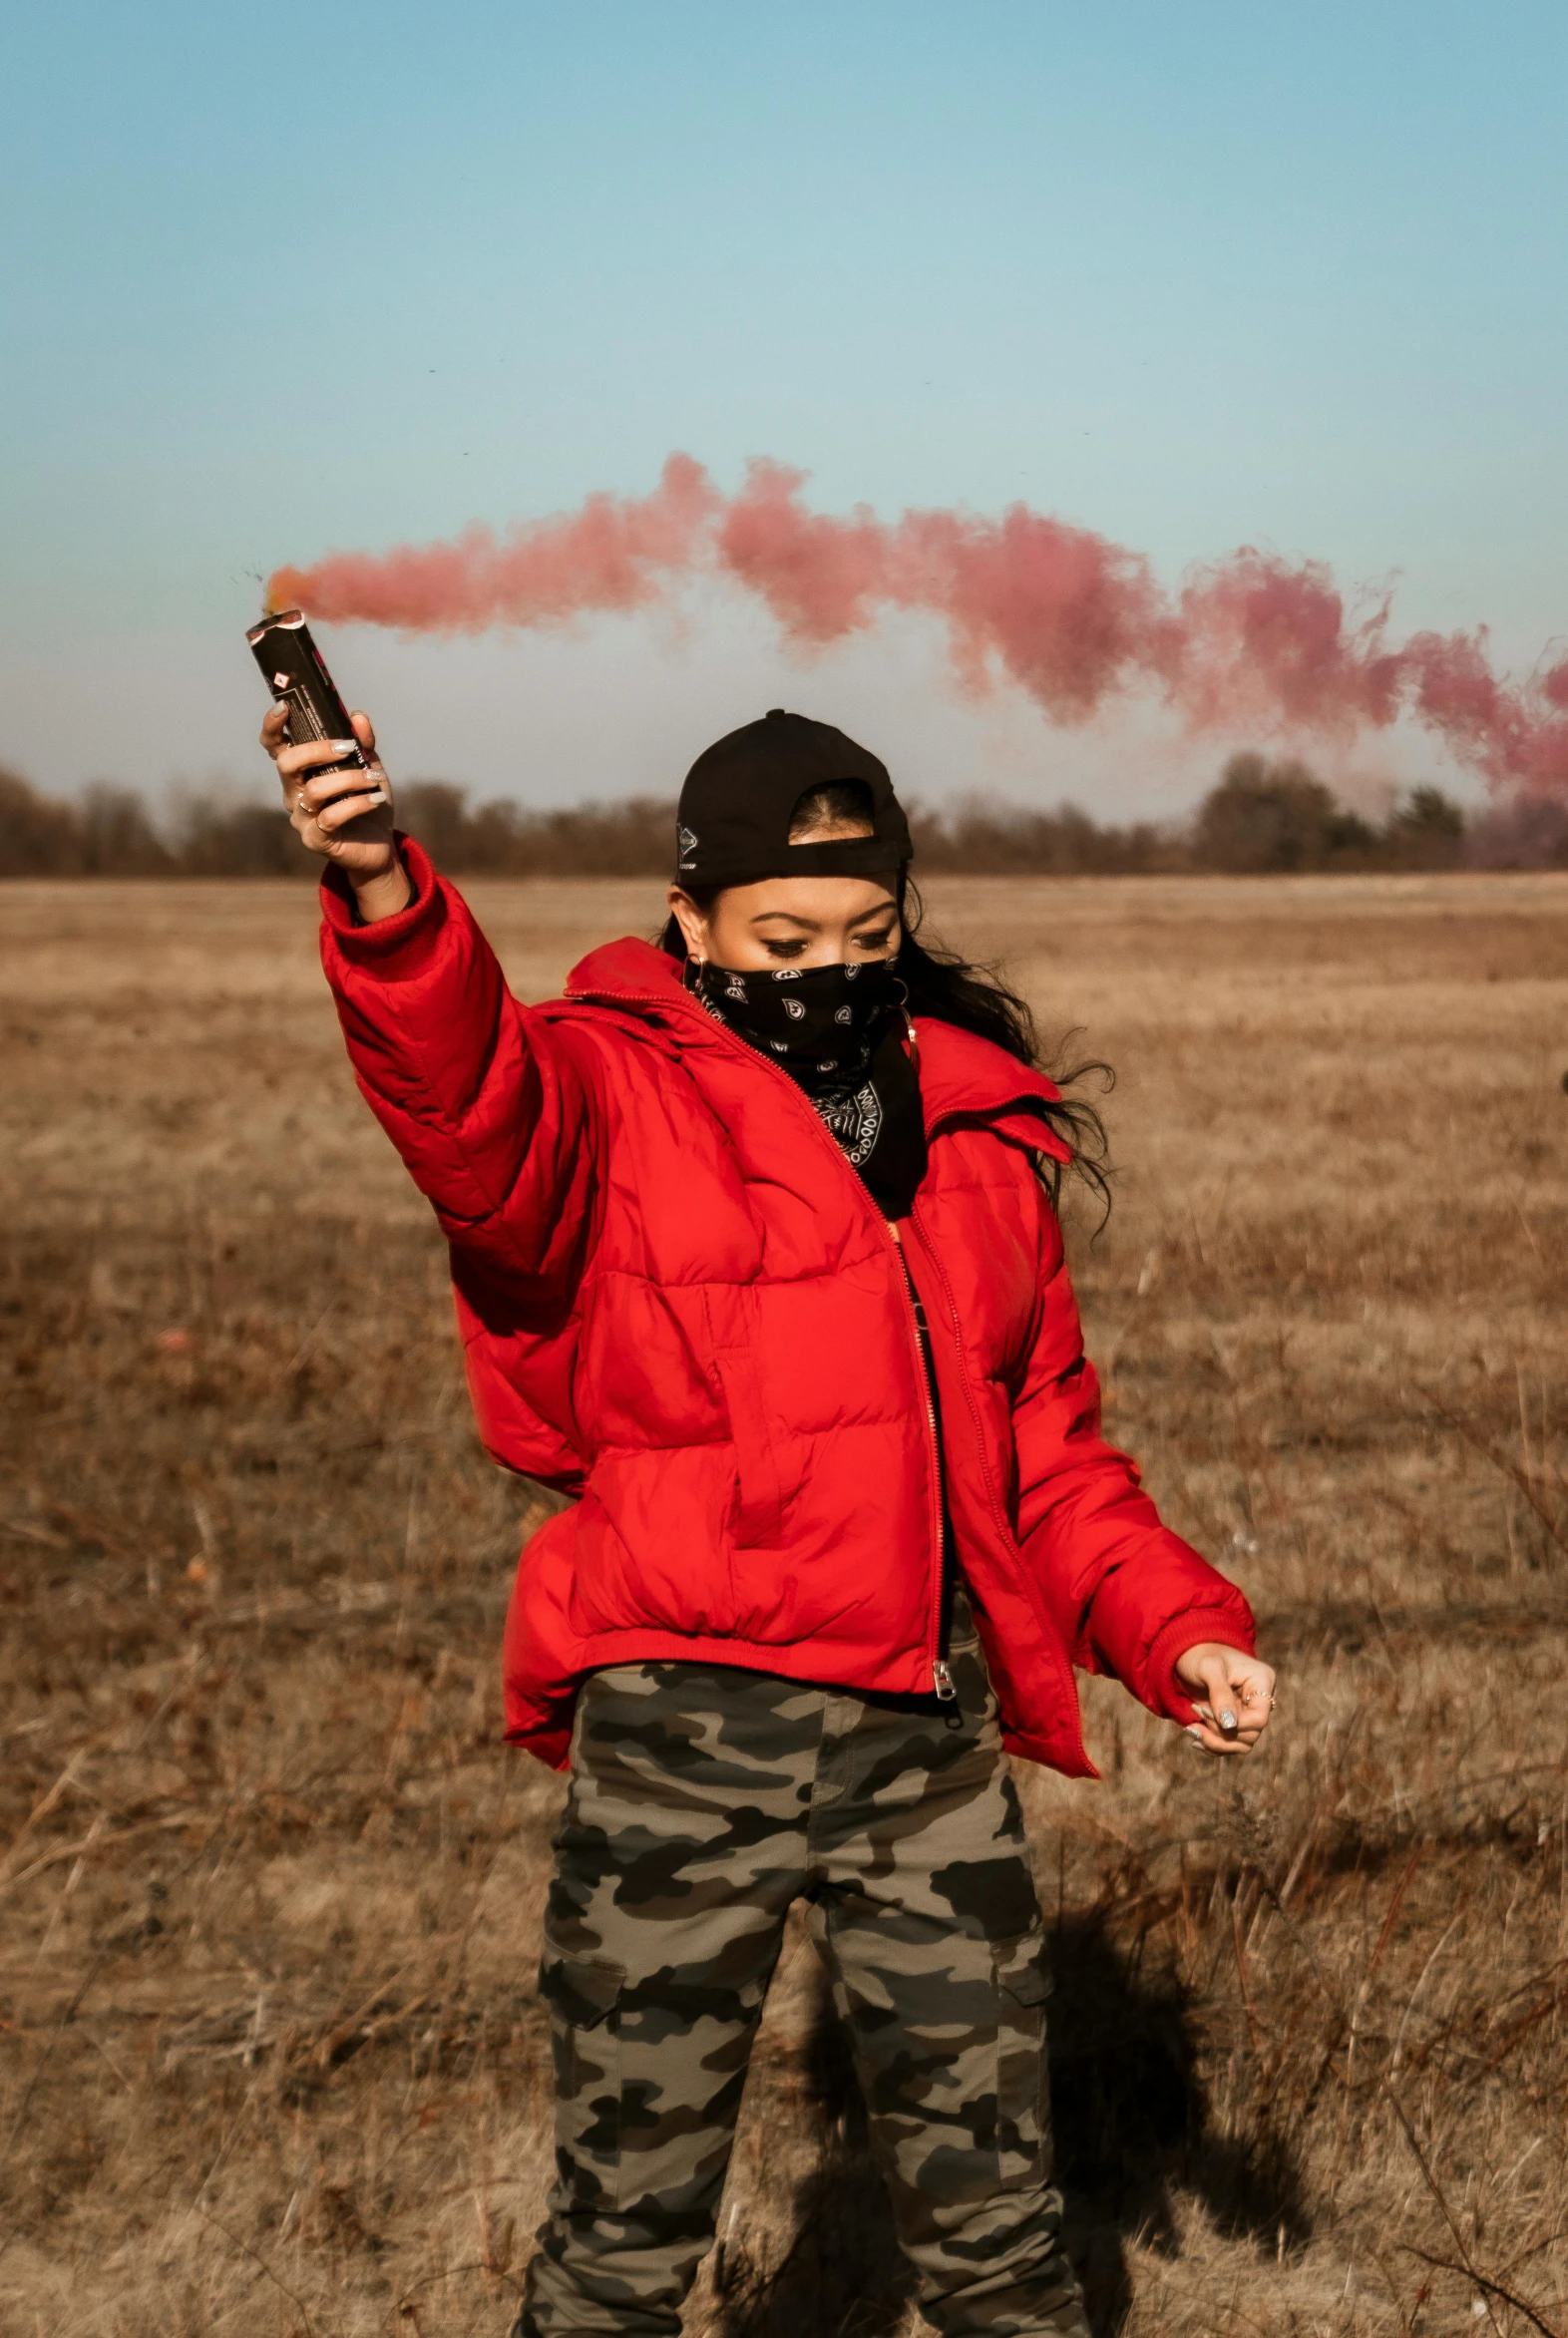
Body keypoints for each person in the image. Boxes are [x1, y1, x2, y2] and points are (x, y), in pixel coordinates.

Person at [263, 695, 1278, 2338]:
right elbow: (466, 1105)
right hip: (683, 1741)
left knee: (1008, 2249)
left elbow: (1050, 1454)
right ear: (694, 920)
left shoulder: (975, 1131)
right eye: (783, 934)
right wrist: (382, 887)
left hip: (925, 1759)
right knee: (619, 2251)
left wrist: (1182, 1629)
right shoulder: (605, 1093)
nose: (830, 965)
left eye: (867, 930)